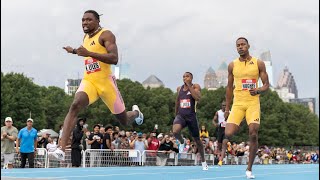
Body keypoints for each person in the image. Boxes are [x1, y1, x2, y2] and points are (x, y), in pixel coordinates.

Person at [58, 10, 144, 160]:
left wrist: (89, 53)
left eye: (89, 20)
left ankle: (136, 113)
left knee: (124, 120)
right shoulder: (86, 37)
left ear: (97, 21)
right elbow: (83, 51)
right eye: (83, 20)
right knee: (75, 105)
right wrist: (73, 51)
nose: (85, 23)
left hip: (106, 84)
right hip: (89, 81)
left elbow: (114, 58)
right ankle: (61, 148)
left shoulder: (106, 35)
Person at [218, 37, 269, 179]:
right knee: (228, 134)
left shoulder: (258, 63)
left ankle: (249, 169)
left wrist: (258, 90)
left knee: (253, 133)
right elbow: (229, 88)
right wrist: (227, 109)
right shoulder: (232, 65)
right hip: (238, 104)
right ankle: (239, 123)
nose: (240, 47)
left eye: (243, 45)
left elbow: (266, 85)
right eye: (238, 45)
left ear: (248, 46)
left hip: (253, 103)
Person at [172, 72, 208, 171]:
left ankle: (204, 161)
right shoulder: (179, 89)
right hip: (181, 115)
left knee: (197, 140)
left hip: (191, 116)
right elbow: (177, 102)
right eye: (183, 76)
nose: (185, 78)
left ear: (191, 78)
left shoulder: (195, 86)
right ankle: (182, 142)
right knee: (175, 131)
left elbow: (197, 98)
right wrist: (176, 114)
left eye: (187, 76)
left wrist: (189, 86)